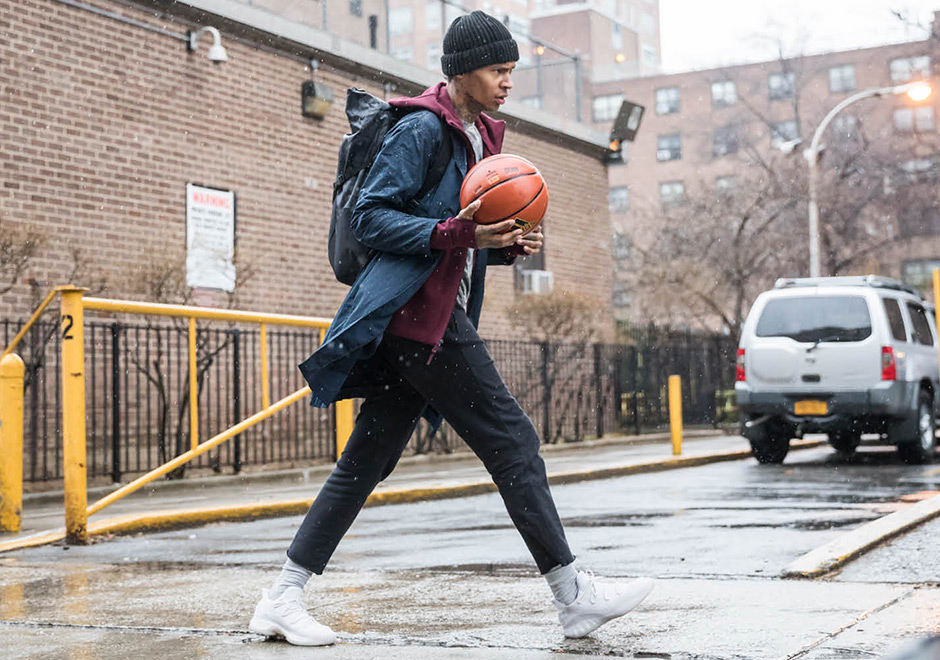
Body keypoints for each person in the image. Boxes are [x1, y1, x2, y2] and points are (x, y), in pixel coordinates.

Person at [248, 10, 653, 647]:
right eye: (498, 70)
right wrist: (463, 234)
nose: (507, 82)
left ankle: (281, 596)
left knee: (363, 464)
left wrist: (501, 245)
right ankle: (573, 596)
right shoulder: (420, 129)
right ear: (461, 71)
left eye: (512, 70)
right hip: (419, 320)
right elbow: (373, 219)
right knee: (514, 441)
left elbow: (459, 234)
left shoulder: (485, 133)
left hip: (437, 316)